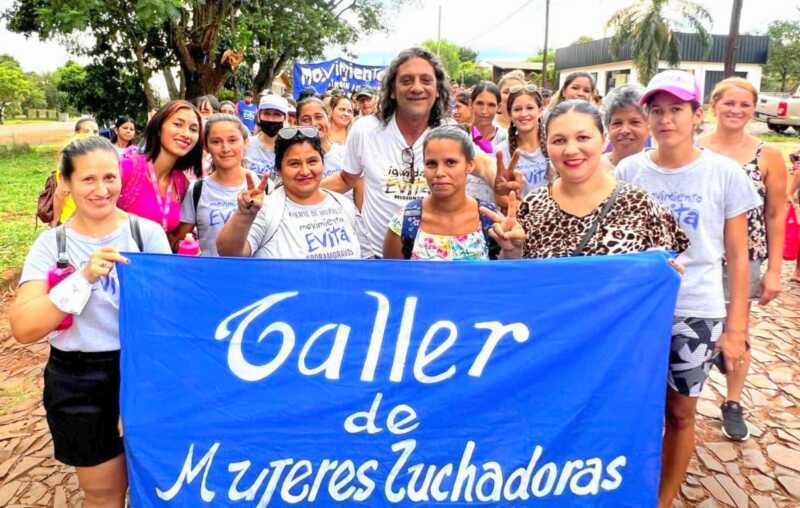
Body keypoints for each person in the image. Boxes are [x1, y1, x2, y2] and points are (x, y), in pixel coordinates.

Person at [614, 70, 761, 508]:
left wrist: (735, 329)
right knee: (635, 406)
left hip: (697, 307)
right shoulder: (628, 170)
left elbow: (737, 256)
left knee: (680, 410)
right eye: (656, 111)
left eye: (676, 110)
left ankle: (664, 497)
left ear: (697, 115)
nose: (665, 120)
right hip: (640, 310)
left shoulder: (725, 174)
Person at [10, 136, 171, 508]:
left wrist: (138, 389)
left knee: (163, 485)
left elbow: (168, 315)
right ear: (66, 183)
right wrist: (81, 278)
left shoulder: (145, 234)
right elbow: (25, 326)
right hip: (79, 381)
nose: (102, 190)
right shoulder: (53, 245)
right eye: (88, 180)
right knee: (103, 494)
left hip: (142, 370)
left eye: (110, 178)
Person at [322, 47, 498, 258]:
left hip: (430, 259)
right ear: (393, 90)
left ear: (437, 89)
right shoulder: (365, 130)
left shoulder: (449, 131)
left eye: (426, 80)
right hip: (375, 258)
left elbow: (484, 165)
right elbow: (346, 179)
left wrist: (499, 178)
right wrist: (291, 188)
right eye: (406, 81)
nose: (417, 88)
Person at [484, 99, 688, 260]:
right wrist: (512, 250)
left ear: (604, 139)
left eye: (583, 138)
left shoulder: (639, 205)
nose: (571, 150)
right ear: (547, 146)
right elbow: (521, 279)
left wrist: (668, 274)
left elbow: (662, 275)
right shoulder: (533, 205)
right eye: (559, 140)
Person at [698, 77, 787, 441]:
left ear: (753, 109)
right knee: (692, 327)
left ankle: (732, 401)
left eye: (744, 104)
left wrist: (775, 270)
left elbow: (776, 213)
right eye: (729, 103)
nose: (736, 110)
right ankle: (684, 399)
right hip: (700, 253)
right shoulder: (696, 147)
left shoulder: (767, 155)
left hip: (744, 256)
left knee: (738, 329)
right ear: (714, 105)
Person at [216, 127, 361, 259]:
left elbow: (367, 264)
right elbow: (229, 252)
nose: (305, 171)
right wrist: (244, 215)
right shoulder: (265, 209)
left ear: (323, 163)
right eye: (294, 164)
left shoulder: (344, 205)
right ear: (279, 170)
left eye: (312, 161)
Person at [383, 126, 500, 260]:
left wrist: (513, 250)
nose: (439, 173)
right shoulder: (404, 223)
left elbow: (508, 274)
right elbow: (392, 277)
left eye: (450, 162)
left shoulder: (491, 220)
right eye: (431, 164)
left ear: (469, 166)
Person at [174, 114, 267, 256]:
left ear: (246, 142)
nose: (225, 148)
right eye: (216, 142)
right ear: (206, 147)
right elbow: (178, 241)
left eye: (233, 140)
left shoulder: (265, 186)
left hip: (254, 275)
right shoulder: (196, 190)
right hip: (210, 275)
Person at [116, 100, 203, 246]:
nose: (186, 134)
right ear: (158, 127)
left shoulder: (181, 182)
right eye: (177, 124)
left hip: (156, 265)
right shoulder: (127, 169)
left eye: (193, 129)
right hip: (117, 264)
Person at [496, 84, 548, 197]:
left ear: (540, 111)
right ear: (510, 114)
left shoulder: (554, 146)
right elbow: (500, 196)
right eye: (517, 109)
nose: (524, 114)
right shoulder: (501, 152)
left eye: (530, 108)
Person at [601, 84, 650, 168]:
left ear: (649, 126)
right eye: (617, 123)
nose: (625, 130)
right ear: (608, 128)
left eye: (634, 122)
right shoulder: (593, 168)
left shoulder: (659, 170)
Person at [243, 94, 289, 181]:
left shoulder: (290, 148)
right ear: (259, 116)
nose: (271, 119)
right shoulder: (246, 145)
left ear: (285, 118)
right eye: (266, 113)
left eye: (277, 114)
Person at [470, 80, 508, 152]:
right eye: (480, 103)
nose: (484, 111)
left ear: (499, 107)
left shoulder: (505, 138)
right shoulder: (460, 136)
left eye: (491, 105)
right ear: (471, 104)